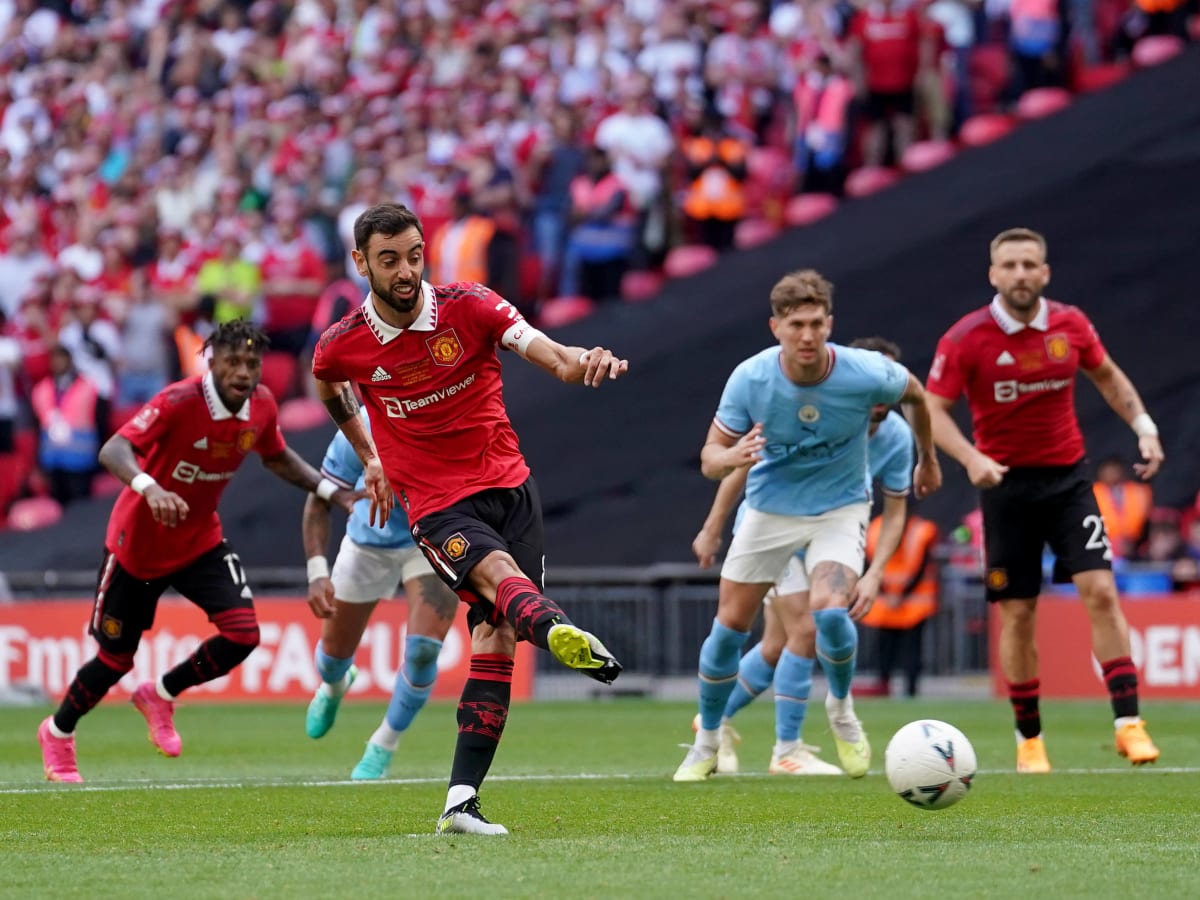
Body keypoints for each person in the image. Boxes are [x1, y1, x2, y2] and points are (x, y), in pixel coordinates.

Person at [311, 203, 628, 836]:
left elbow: (556, 357)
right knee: (501, 577)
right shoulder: (341, 346)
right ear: (360, 264)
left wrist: (584, 358)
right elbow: (329, 388)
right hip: (435, 504)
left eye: (413, 255)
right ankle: (553, 623)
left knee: (495, 639)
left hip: (512, 487)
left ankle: (460, 802)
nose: (405, 271)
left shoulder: (472, 305)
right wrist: (370, 454)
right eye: (389, 260)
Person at [37, 321, 358, 783]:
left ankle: (161, 694)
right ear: (211, 361)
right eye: (233, 361)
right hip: (138, 546)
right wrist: (150, 489)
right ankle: (57, 732)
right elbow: (114, 449)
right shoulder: (178, 401)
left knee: (244, 634)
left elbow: (276, 456)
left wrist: (331, 490)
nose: (243, 372)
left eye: (252, 363)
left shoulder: (262, 405)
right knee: (114, 660)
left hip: (198, 542)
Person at [674, 270, 941, 783]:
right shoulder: (750, 379)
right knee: (729, 630)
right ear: (776, 326)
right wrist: (729, 458)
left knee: (827, 615)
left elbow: (916, 392)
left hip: (839, 511)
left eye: (817, 323)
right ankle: (706, 741)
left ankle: (839, 713)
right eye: (796, 324)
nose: (807, 335)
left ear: (830, 324)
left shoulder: (866, 374)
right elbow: (712, 460)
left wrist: (928, 458)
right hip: (769, 512)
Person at [925, 226, 1164, 772]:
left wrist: (1144, 426)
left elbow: (1107, 376)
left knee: (1101, 591)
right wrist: (972, 459)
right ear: (993, 274)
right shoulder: (965, 338)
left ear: (1045, 272)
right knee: (1019, 613)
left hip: (1067, 481)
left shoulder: (1069, 324)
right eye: (1010, 265)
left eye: (1030, 265)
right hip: (1004, 487)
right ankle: (1029, 737)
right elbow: (933, 410)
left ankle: (1129, 724)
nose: (1020, 275)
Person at [301, 408, 460, 780]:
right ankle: (335, 684)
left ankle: (383, 744)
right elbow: (319, 498)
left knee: (423, 651)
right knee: (331, 659)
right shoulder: (361, 427)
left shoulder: (456, 415)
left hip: (433, 540)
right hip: (368, 544)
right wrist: (316, 571)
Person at [861, 511, 939, 697]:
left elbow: (869, 564)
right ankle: (891, 686)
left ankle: (901, 687)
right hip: (903, 602)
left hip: (902, 602)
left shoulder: (877, 528)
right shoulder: (920, 529)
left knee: (903, 648)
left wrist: (891, 594)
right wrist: (897, 594)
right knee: (896, 648)